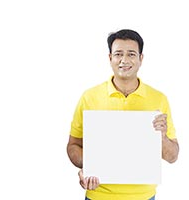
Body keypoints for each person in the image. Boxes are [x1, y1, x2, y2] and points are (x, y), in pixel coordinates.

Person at [67, 29, 179, 200]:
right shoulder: (89, 97)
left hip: (144, 197)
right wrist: (87, 166)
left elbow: (173, 157)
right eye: (118, 53)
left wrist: (162, 137)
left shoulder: (159, 99)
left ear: (141, 58)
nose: (124, 60)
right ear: (110, 58)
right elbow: (73, 146)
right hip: (98, 195)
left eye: (131, 54)